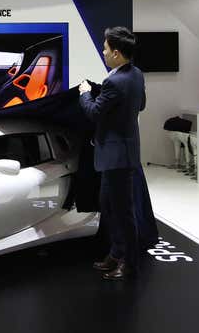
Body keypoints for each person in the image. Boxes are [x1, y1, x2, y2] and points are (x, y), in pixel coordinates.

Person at [78, 26, 146, 280]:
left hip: (117, 157)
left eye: (105, 48)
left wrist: (85, 93)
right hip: (120, 154)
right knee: (110, 206)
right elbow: (141, 104)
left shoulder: (114, 81)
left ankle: (130, 264)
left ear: (117, 53)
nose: (103, 52)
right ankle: (116, 254)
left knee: (123, 212)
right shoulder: (136, 75)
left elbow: (94, 112)